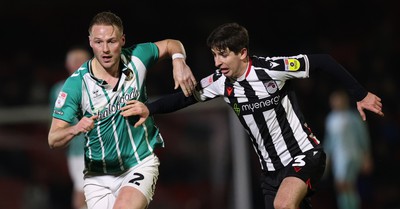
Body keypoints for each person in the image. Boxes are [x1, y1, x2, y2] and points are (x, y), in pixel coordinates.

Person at [127, 22, 384, 209]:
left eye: (223, 54)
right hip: (270, 173)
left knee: (284, 205)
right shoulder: (220, 82)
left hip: (303, 155)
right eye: (214, 55)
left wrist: (360, 94)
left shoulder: (271, 70)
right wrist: (151, 108)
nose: (217, 62)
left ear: (242, 53)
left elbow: (323, 61)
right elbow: (184, 98)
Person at [48, 11, 197, 209]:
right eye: (99, 42)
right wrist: (76, 128)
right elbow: (53, 139)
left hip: (138, 163)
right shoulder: (76, 84)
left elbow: (171, 43)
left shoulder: (138, 57)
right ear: (90, 42)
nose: (105, 49)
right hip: (98, 176)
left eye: (111, 41)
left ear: (123, 40)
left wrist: (179, 61)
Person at [49, 46, 92, 209]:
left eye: (83, 61)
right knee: (82, 190)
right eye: (75, 61)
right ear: (68, 65)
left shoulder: (102, 84)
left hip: (106, 148)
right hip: (79, 150)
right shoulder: (61, 89)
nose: (79, 64)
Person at [323, 89, 373, 209]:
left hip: (353, 154)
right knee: (342, 186)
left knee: (346, 184)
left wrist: (367, 156)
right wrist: (326, 158)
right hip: (339, 157)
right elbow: (329, 141)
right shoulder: (330, 119)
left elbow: (363, 137)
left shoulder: (353, 117)